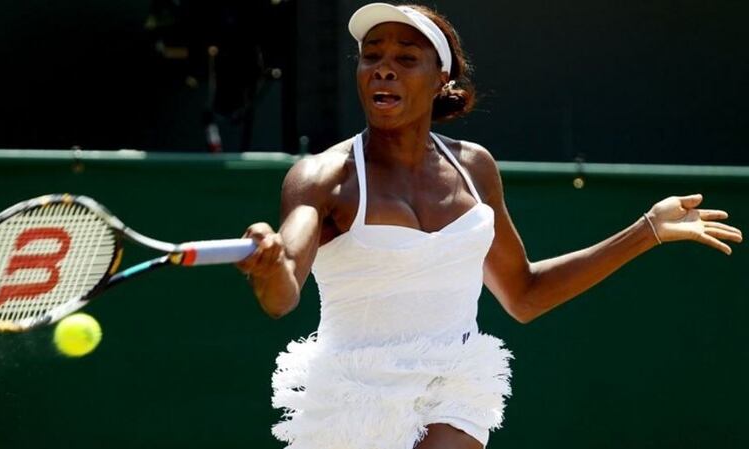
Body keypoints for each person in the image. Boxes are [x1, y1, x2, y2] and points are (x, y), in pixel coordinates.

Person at [236, 3, 743, 449]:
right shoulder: (322, 177)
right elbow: (282, 293)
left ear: (442, 79)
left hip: (453, 384)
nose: (383, 70)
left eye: (405, 59)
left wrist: (647, 230)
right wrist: (268, 263)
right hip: (347, 398)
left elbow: (524, 294)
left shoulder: (475, 168)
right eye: (372, 55)